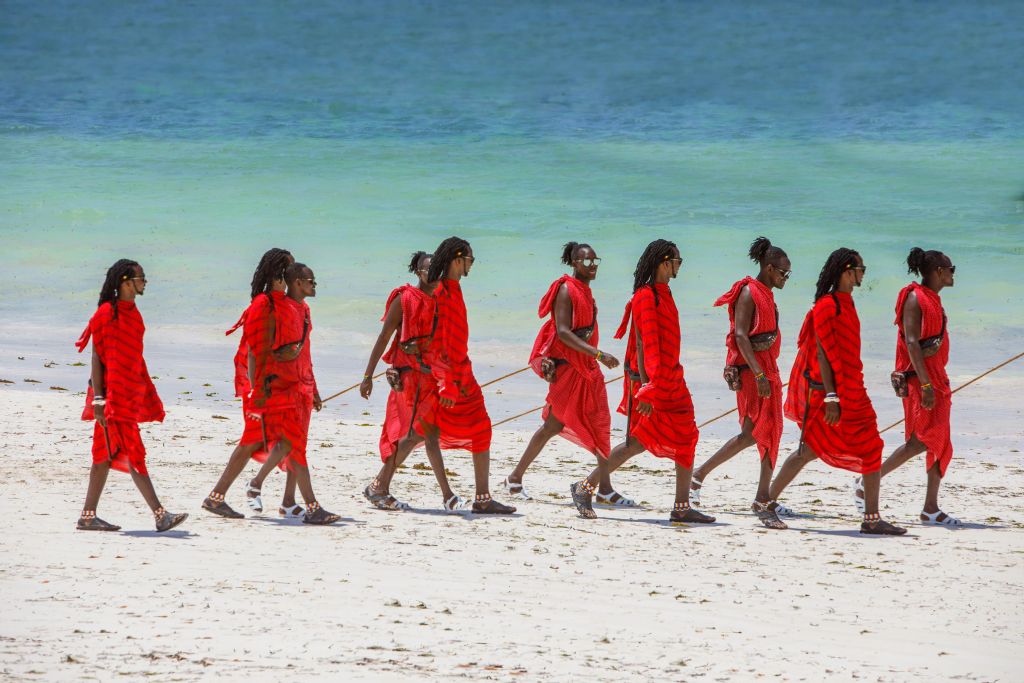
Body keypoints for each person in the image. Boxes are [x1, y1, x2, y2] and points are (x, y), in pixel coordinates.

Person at [570, 240, 714, 524]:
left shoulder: (665, 293)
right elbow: (645, 344)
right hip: (650, 382)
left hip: (673, 378)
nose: (679, 266)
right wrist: (649, 390)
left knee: (687, 436)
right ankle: (584, 487)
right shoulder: (646, 297)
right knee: (636, 443)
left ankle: (682, 506)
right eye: (677, 260)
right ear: (664, 262)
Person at [770, 248, 906, 535]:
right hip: (828, 395)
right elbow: (822, 355)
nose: (863, 274)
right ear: (847, 271)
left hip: (854, 389)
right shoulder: (827, 306)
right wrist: (832, 397)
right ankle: (765, 500)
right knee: (809, 450)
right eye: (860, 269)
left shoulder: (847, 303)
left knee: (871, 447)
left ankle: (871, 518)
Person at [503, 242, 625, 503]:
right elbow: (563, 331)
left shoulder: (586, 291)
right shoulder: (566, 289)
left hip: (586, 368)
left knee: (599, 422)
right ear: (574, 263)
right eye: (586, 262)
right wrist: (600, 355)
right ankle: (514, 478)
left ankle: (603, 488)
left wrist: (594, 357)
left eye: (595, 261)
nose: (592, 267)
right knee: (553, 425)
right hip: (570, 370)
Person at [74, 259, 188, 532]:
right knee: (134, 453)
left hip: (128, 394)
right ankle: (160, 514)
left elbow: (134, 357)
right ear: (126, 281)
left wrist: (144, 389)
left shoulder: (133, 313)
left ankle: (88, 516)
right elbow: (97, 357)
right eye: (141, 278)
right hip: (112, 400)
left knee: (103, 456)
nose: (145, 282)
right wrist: (99, 399)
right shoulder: (106, 314)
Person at [691, 237, 790, 529]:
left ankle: (758, 494)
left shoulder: (768, 294)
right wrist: (758, 374)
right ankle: (758, 497)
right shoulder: (748, 292)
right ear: (769, 268)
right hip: (754, 372)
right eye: (783, 273)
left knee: (766, 433)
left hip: (767, 370)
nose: (786, 278)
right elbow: (740, 336)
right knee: (754, 433)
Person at [857, 247, 960, 525]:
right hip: (921, 380)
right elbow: (912, 342)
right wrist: (925, 384)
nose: (953, 274)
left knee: (941, 442)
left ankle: (930, 508)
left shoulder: (934, 299)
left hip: (937, 379)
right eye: (951, 269)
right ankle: (869, 479)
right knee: (921, 440)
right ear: (938, 271)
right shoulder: (914, 298)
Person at [360, 251, 462, 511]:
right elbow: (384, 337)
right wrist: (368, 375)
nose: (434, 275)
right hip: (408, 377)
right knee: (417, 434)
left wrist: (449, 376)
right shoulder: (404, 298)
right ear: (418, 271)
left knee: (426, 434)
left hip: (429, 378)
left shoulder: (438, 301)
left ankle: (443, 494)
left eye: (438, 270)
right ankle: (382, 486)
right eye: (429, 270)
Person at [202, 248, 299, 519]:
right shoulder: (264, 303)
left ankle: (286, 500)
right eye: (290, 267)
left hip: (274, 382)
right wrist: (259, 389)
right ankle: (217, 496)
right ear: (279, 271)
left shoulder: (282, 301)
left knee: (290, 437)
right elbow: (254, 350)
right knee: (251, 441)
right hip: (258, 383)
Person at [424, 236, 516, 514]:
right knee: (418, 435)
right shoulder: (440, 291)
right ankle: (380, 485)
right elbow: (437, 343)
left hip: (462, 374)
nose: (471, 265)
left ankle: (483, 498)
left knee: (479, 429)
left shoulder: (454, 289)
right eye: (470, 260)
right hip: (448, 380)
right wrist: (447, 384)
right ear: (457, 259)